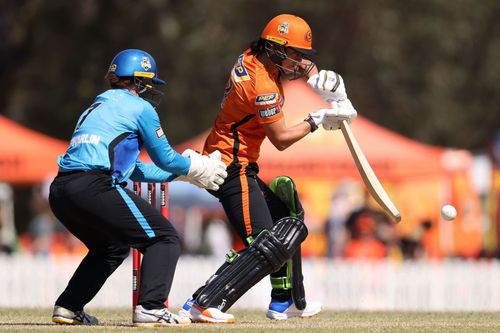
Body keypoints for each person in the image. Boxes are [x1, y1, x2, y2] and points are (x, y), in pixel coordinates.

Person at [178, 14, 357, 323]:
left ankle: (285, 301)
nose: (300, 61)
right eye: (295, 54)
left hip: (238, 161)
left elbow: (297, 64)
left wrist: (318, 79)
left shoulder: (255, 56)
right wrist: (318, 119)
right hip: (231, 166)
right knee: (264, 244)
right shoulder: (261, 85)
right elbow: (282, 139)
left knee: (288, 219)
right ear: (274, 49)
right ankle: (202, 302)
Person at [48, 49, 227, 327]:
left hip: (61, 190)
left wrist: (183, 177)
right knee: (164, 238)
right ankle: (151, 308)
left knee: (111, 248)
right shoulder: (140, 107)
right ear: (139, 81)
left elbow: (134, 169)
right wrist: (195, 167)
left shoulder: (96, 107)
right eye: (147, 84)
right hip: (95, 185)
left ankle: (69, 307)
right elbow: (165, 157)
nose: (148, 91)